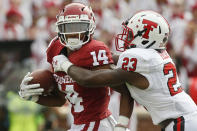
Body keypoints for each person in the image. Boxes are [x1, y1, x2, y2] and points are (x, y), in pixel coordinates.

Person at [52, 10, 197, 131]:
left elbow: (89, 79)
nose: (126, 37)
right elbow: (112, 60)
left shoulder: (141, 59)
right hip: (184, 119)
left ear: (145, 37)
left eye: (130, 33)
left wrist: (65, 64)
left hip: (182, 123)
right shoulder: (154, 56)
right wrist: (121, 124)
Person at [18, 3, 133, 131]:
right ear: (59, 29)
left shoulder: (95, 50)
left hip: (98, 124)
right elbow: (60, 99)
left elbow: (124, 89)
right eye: (68, 28)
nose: (73, 33)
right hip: (78, 123)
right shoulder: (55, 48)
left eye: (79, 26)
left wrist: (122, 125)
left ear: (90, 28)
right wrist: (34, 97)